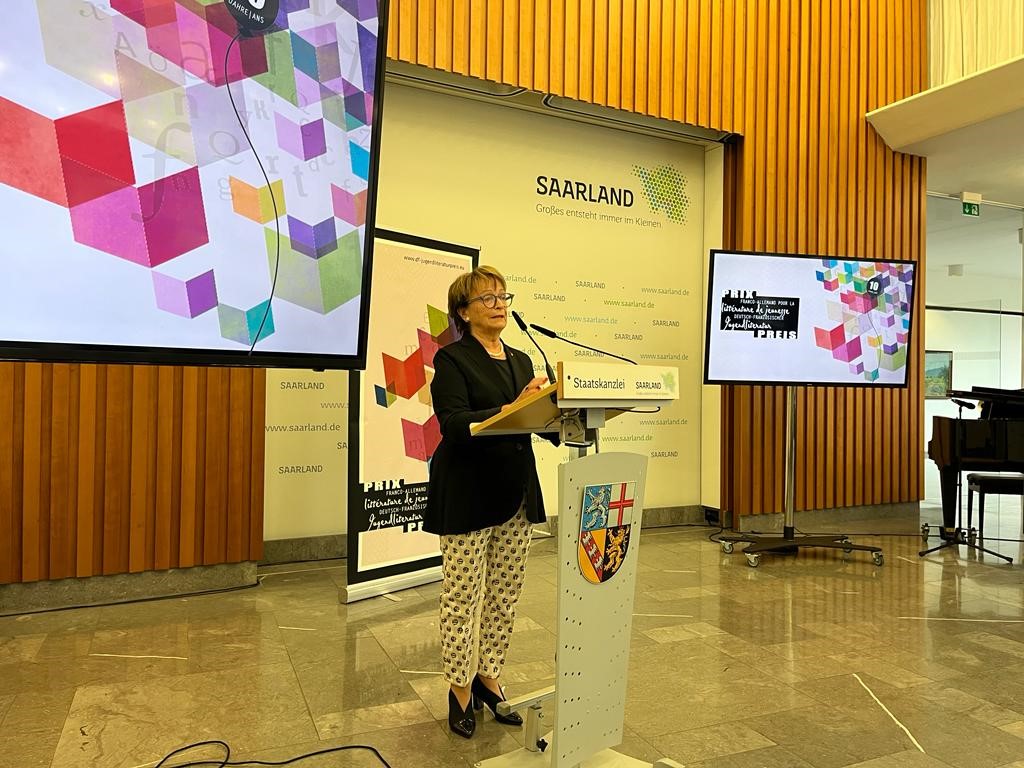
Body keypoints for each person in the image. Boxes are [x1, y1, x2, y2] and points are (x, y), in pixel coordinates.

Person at [424, 265, 551, 739]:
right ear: (464, 311)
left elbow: (529, 421)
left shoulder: (521, 358)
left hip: (516, 492)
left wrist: (556, 412)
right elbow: (454, 423)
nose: (499, 305)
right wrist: (512, 407)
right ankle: (459, 688)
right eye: (487, 298)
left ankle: (489, 677)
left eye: (503, 296)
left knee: (504, 595)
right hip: (468, 492)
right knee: (462, 598)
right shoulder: (452, 359)